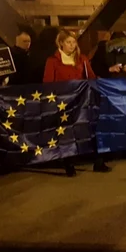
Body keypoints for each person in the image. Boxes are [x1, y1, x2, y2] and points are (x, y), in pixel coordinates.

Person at [43, 30, 110, 177]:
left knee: (91, 130)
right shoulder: (53, 61)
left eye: (74, 42)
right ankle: (69, 164)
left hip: (82, 102)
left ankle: (98, 162)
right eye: (68, 42)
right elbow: (48, 83)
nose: (72, 45)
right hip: (63, 103)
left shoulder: (82, 59)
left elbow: (91, 77)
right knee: (66, 134)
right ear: (61, 43)